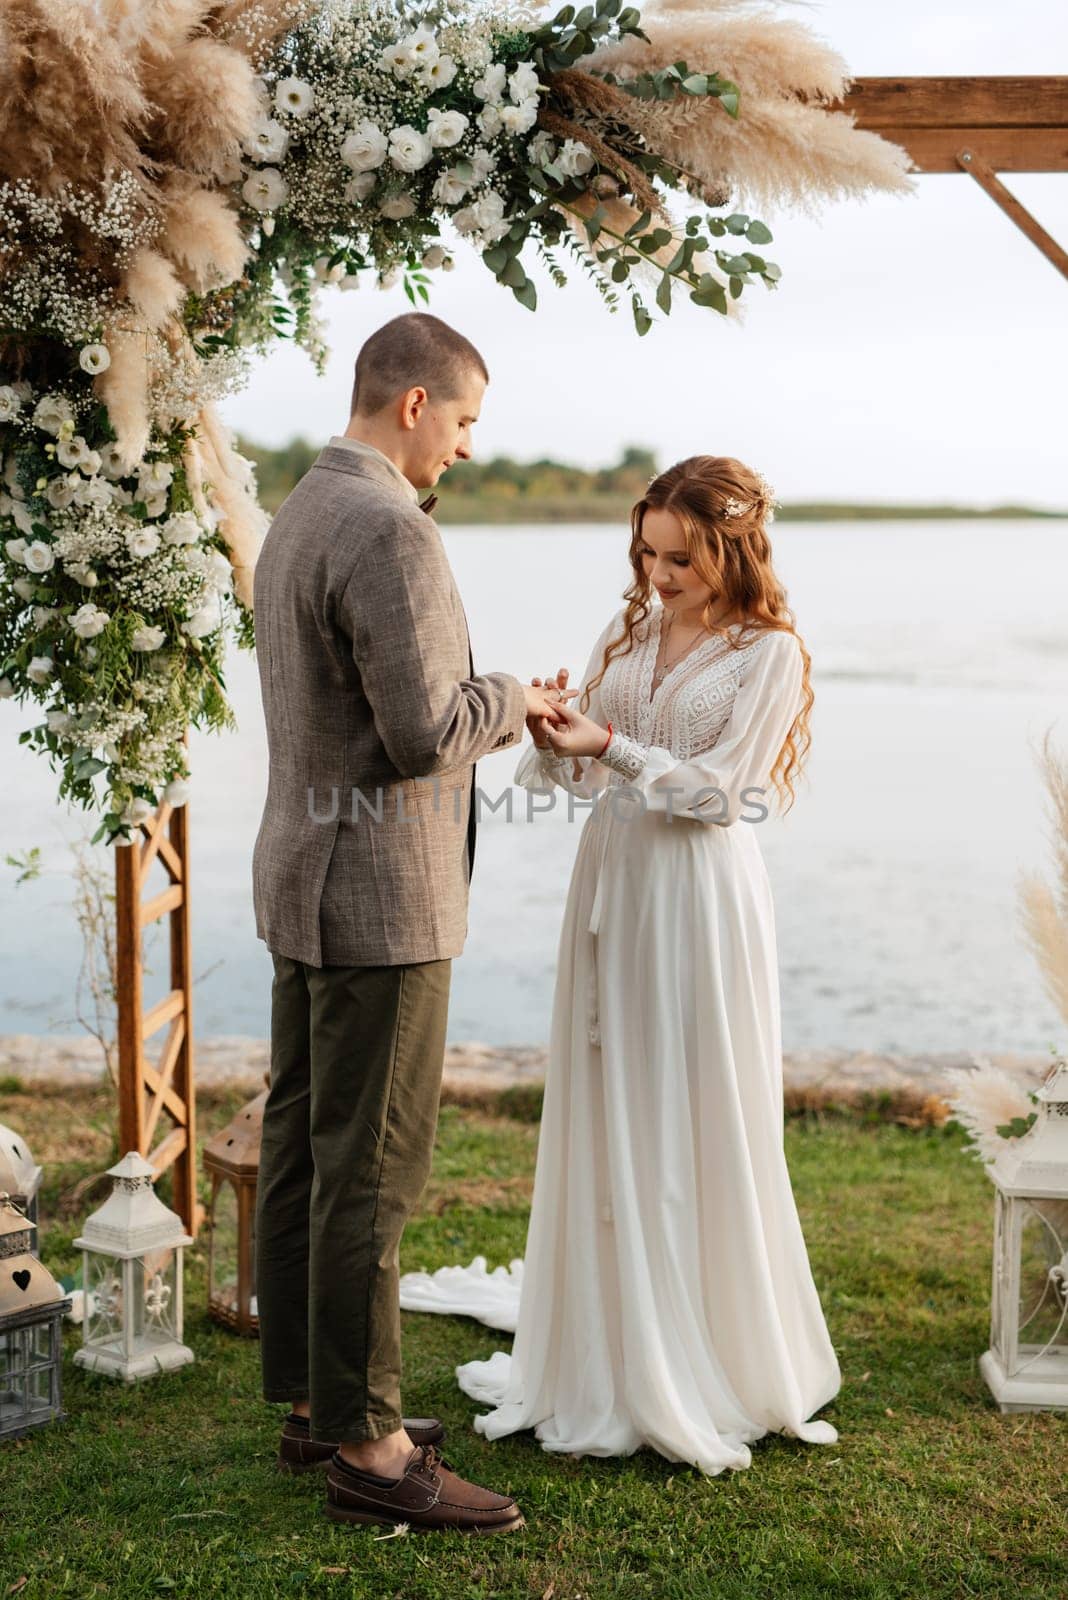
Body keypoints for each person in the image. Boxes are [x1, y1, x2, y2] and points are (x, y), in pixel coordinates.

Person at [399, 455, 842, 1475]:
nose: (658, 574)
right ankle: (604, 1338)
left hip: (697, 893)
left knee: (693, 1101)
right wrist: (556, 730)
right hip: (611, 882)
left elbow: (725, 793)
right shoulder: (629, 627)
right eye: (646, 551)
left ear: (730, 548)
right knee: (609, 1093)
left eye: (679, 557)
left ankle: (708, 1346)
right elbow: (562, 773)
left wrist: (617, 745)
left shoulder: (770, 652)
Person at [251, 312, 562, 1533]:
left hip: (301, 879)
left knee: (305, 1153)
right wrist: (517, 695)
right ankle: (371, 1448)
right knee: (371, 1174)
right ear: (416, 405)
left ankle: (318, 1405)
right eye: (469, 421)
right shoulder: (390, 528)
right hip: (380, 897)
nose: (471, 450)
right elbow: (425, 733)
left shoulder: (302, 508)